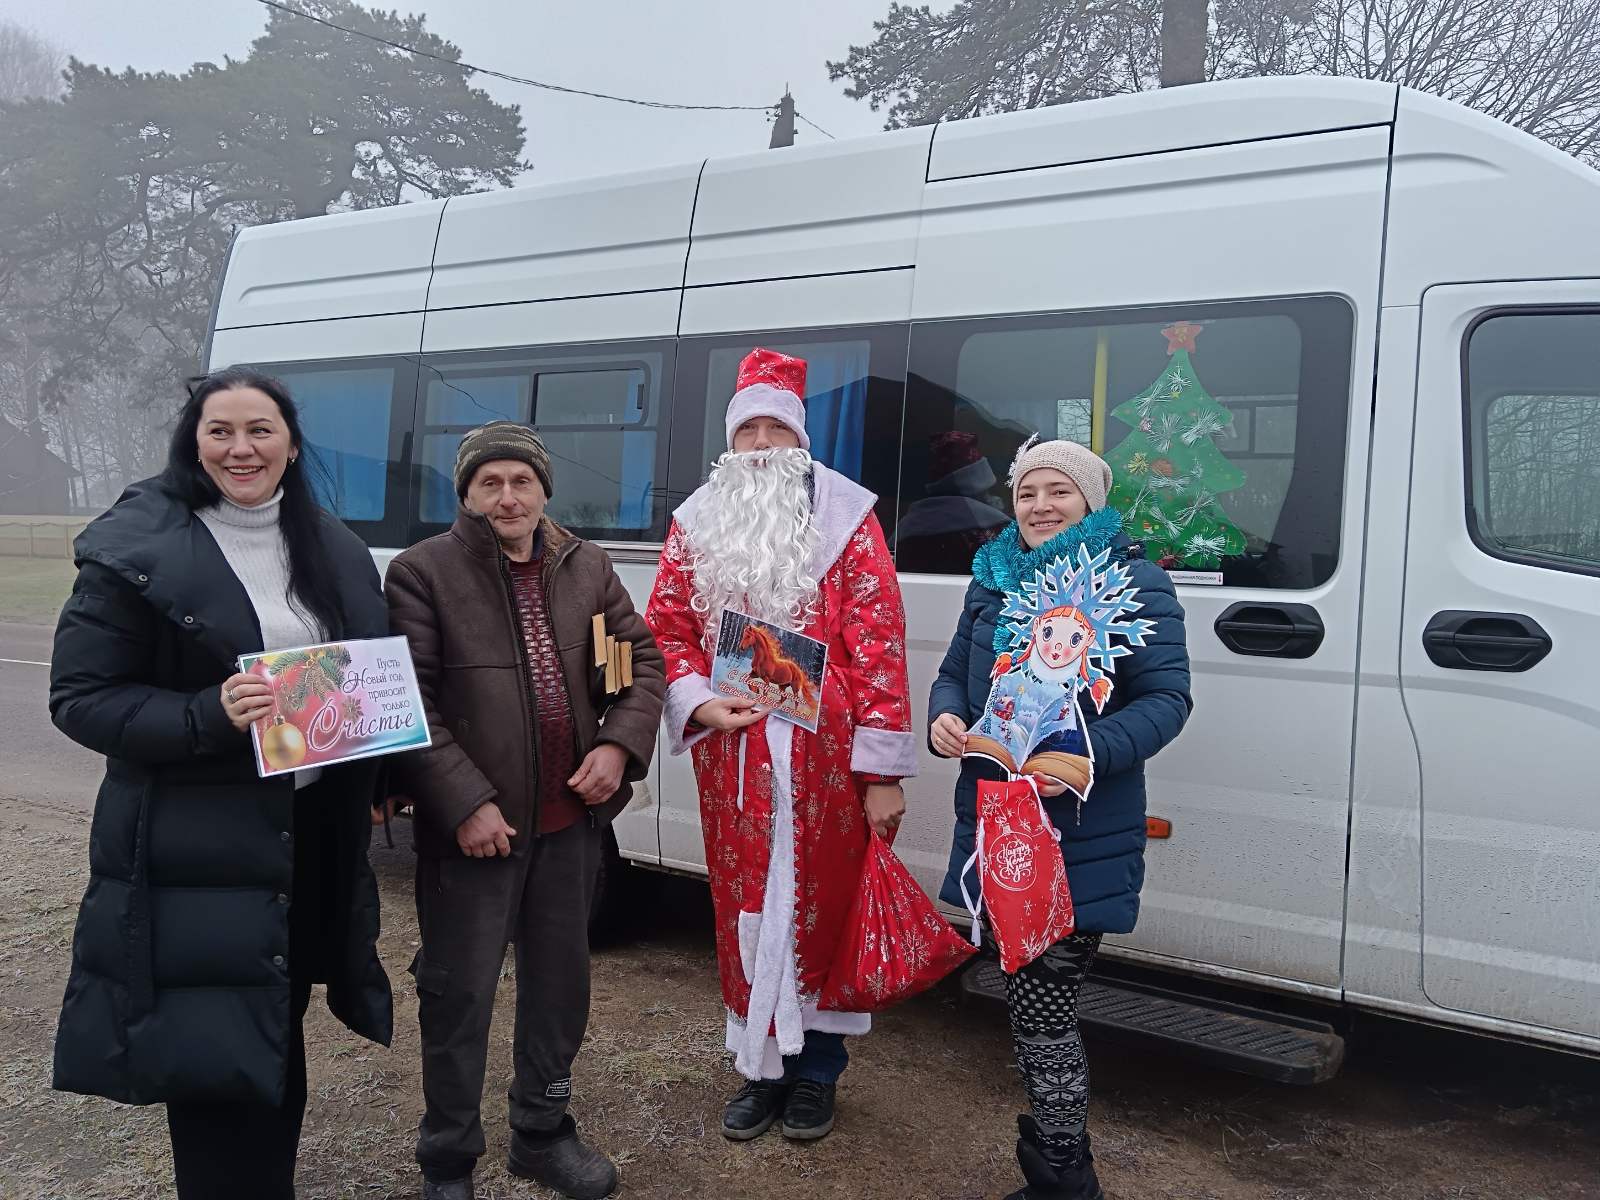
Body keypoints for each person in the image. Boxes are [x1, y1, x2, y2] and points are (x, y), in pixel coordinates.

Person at [48, 367, 393, 1199]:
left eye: (260, 430)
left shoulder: (329, 544)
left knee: (274, 1038)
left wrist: (381, 768)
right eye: (221, 431)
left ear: (291, 444)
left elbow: (358, 677)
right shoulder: (136, 545)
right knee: (214, 1060)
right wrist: (206, 714)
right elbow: (81, 698)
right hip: (193, 852)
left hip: (304, 839)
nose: (242, 448)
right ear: (193, 442)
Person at [384, 421, 664, 1200]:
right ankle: (448, 1159)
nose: (508, 497)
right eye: (490, 483)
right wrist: (465, 802)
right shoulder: (422, 573)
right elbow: (409, 703)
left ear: (544, 489)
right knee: (458, 996)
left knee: (559, 990)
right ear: (467, 494)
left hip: (569, 829)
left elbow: (638, 665)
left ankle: (541, 1134)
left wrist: (617, 746)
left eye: (522, 481)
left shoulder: (586, 565)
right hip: (473, 836)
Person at [644, 348, 917, 1144]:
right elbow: (666, 629)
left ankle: (817, 1072)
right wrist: (700, 700)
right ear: (731, 443)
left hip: (828, 764)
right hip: (734, 760)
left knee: (821, 908)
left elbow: (879, 644)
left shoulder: (848, 520)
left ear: (800, 439)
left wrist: (882, 772)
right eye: (748, 431)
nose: (762, 444)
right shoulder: (696, 521)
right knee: (747, 908)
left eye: (776, 429)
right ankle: (760, 1068)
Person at [928, 437, 1192, 1200]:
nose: (1041, 506)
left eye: (1059, 491)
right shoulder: (992, 580)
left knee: (1043, 1008)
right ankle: (1057, 1167)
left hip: (1081, 836)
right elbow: (953, 677)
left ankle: (1066, 1178)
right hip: (999, 825)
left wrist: (1083, 754)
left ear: (1091, 500)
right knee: (1028, 1001)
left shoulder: (1132, 580)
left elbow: (1167, 700)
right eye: (1027, 493)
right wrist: (946, 718)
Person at [892, 430, 1011, 572]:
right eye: (986, 489)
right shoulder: (993, 527)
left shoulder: (908, 525)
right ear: (976, 484)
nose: (991, 496)